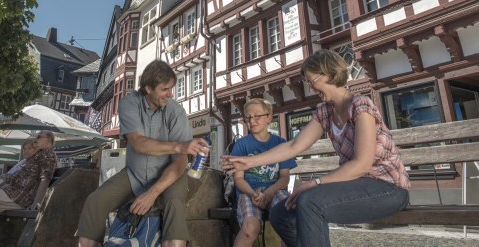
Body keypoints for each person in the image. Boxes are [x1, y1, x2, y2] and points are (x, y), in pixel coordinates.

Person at [223, 50, 410, 247]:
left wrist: (317, 183)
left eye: (312, 80)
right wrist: (249, 161)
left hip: (388, 188)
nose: (311, 88)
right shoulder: (325, 111)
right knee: (281, 212)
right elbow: (295, 145)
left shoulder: (360, 105)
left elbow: (362, 164)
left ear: (328, 74)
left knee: (309, 201)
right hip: (355, 186)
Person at [77, 60, 209, 247]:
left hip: (169, 175)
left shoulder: (176, 111)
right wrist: (180, 146)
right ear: (148, 88)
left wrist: (152, 193)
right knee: (95, 201)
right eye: (165, 89)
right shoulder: (129, 103)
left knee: (174, 206)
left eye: (171, 88)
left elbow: (180, 162)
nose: (170, 94)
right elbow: (138, 144)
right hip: (134, 175)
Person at [230, 98, 296, 247]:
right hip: (248, 192)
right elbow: (239, 179)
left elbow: (284, 177)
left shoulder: (280, 143)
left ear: (268, 117)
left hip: (275, 189)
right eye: (248, 117)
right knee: (250, 228)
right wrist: (253, 194)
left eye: (257, 116)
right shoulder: (241, 145)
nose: (252, 120)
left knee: (289, 222)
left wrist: (269, 193)